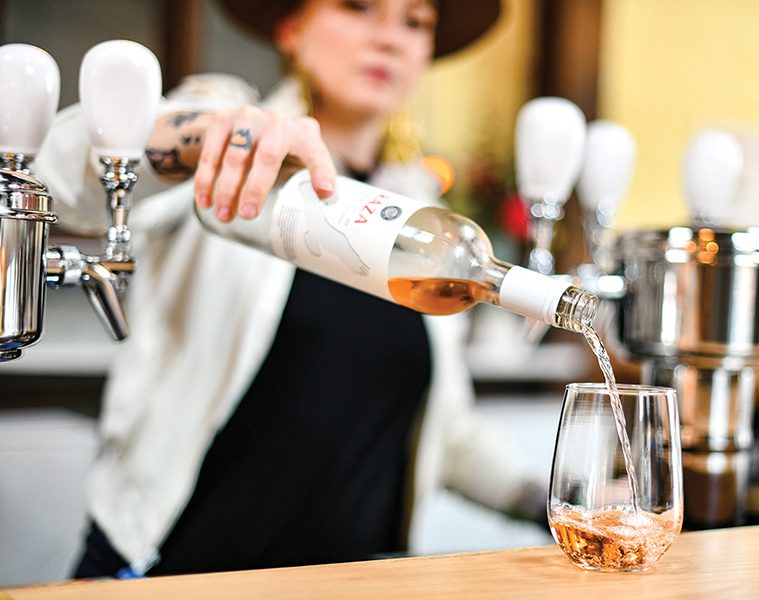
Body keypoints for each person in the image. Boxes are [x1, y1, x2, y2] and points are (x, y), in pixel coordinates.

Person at [34, 0, 544, 578]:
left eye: (415, 22)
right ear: (292, 28)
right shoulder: (230, 137)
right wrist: (203, 138)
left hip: (352, 585)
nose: (390, 38)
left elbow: (445, 430)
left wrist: (550, 499)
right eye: (359, 7)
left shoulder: (424, 216)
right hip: (173, 574)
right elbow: (48, 175)